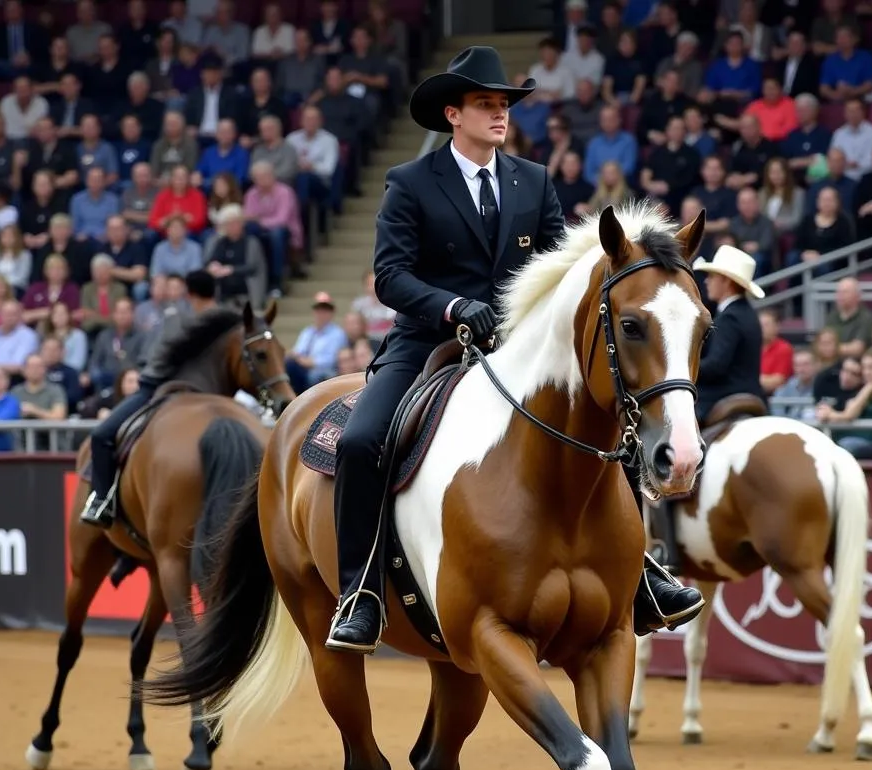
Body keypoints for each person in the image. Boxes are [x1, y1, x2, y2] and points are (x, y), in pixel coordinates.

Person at [327, 44, 701, 653]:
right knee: (361, 440)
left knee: (615, 426)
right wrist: (452, 306)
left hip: (519, 350)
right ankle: (361, 592)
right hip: (431, 341)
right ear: (453, 114)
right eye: (485, 104)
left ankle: (643, 580)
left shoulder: (535, 180)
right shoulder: (410, 182)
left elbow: (563, 267)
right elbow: (391, 276)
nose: (499, 115)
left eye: (503, 105)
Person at [647, 245, 766, 571]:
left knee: (665, 447)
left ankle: (662, 549)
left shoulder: (729, 318)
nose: (708, 282)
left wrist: (682, 369)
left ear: (727, 282)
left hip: (722, 397)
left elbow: (716, 365)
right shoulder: (747, 315)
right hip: (750, 397)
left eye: (712, 277)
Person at [79, 269, 218, 528]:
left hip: (159, 388)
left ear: (189, 293)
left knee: (101, 436)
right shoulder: (227, 320)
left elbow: (153, 360)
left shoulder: (175, 318)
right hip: (214, 394)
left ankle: (101, 500)